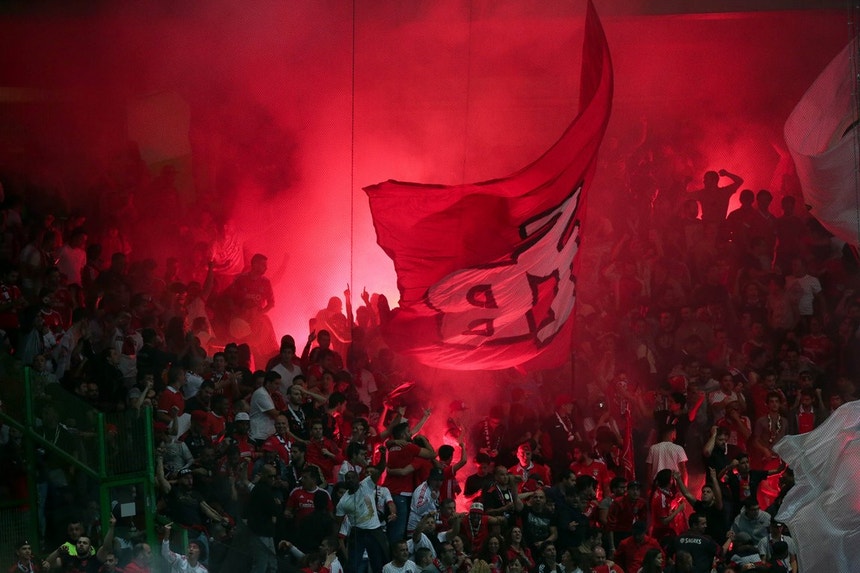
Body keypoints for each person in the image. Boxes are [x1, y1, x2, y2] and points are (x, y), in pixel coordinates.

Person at [335, 448, 390, 573]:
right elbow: (337, 523)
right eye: (347, 478)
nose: (350, 480)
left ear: (358, 478)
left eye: (352, 478)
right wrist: (334, 540)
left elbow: (380, 469)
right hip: (357, 532)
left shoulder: (367, 484)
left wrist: (382, 455)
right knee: (353, 566)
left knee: (379, 563)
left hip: (374, 530)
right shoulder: (343, 502)